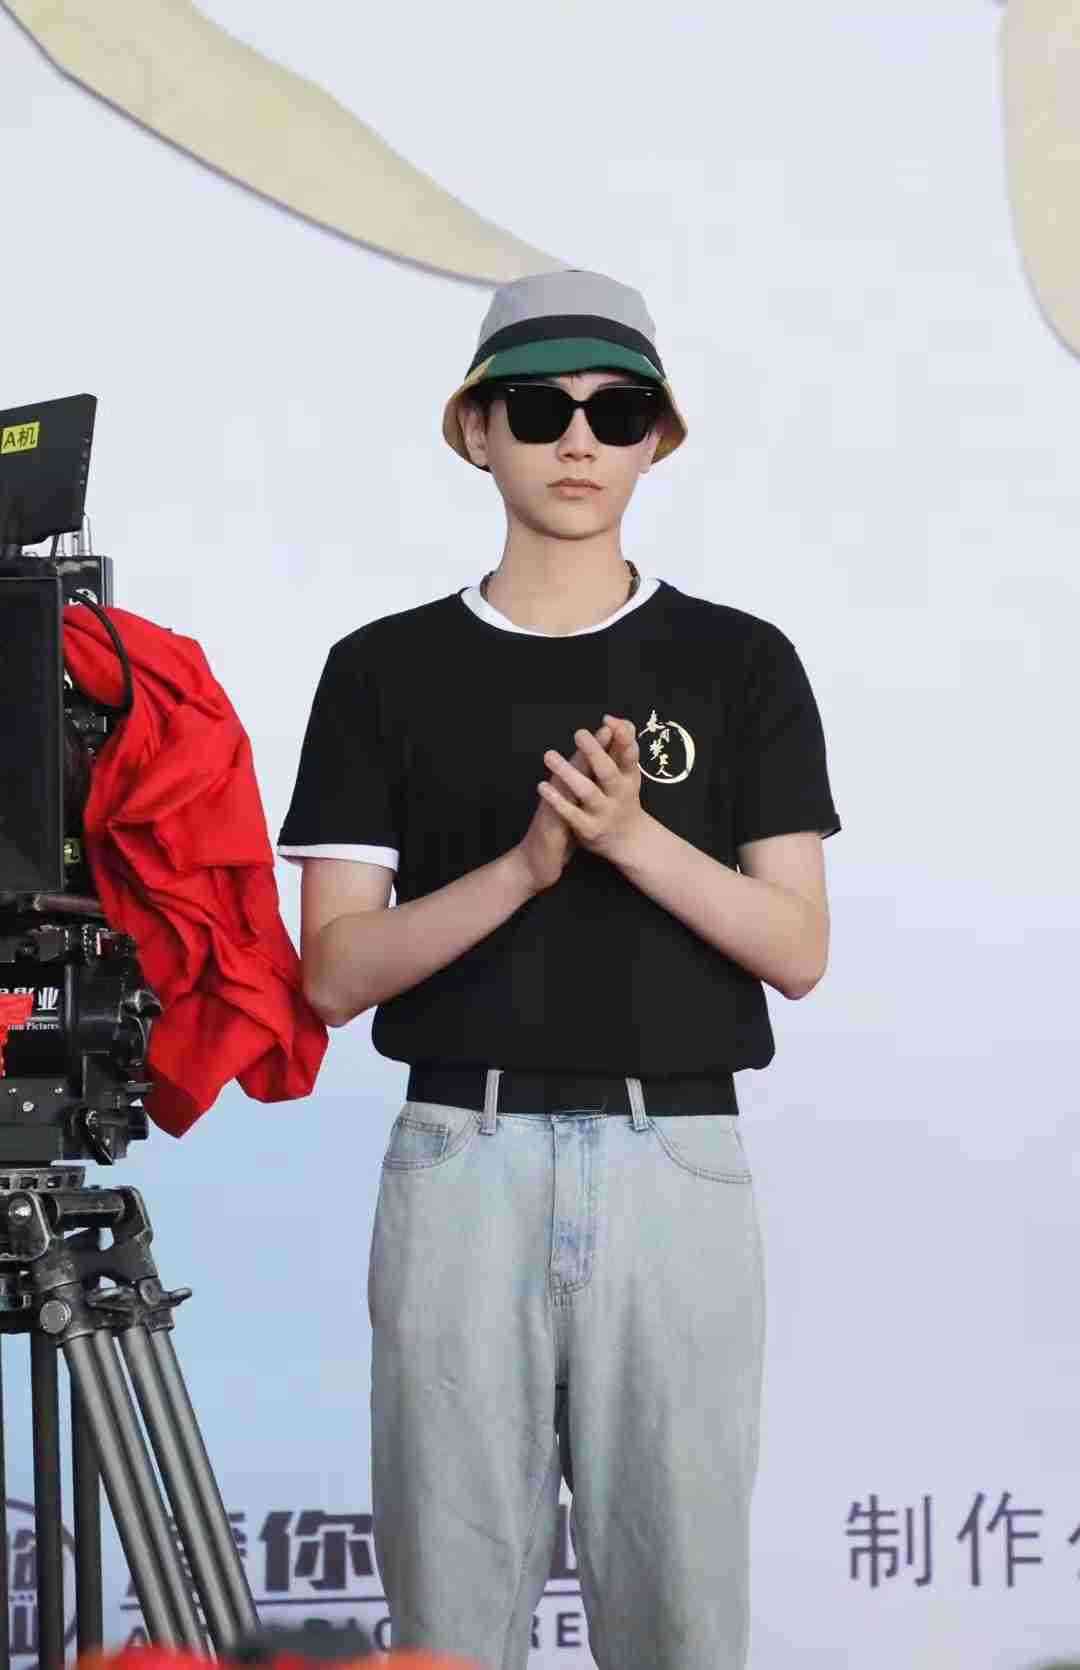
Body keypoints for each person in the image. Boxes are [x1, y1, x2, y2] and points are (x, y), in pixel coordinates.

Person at [277, 269, 841, 1670]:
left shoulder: (740, 663)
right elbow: (334, 973)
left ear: (660, 438)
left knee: (684, 1616)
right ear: (477, 432)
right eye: (538, 409)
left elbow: (798, 947)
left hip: (678, 1158)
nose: (578, 439)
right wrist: (527, 867)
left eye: (616, 410)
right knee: (452, 1618)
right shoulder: (382, 669)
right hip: (460, 1157)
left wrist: (633, 838)